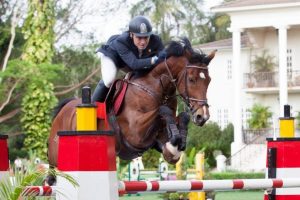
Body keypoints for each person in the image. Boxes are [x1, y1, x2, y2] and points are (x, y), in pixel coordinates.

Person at [92, 15, 166, 102]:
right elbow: (134, 64)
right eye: (139, 37)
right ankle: (90, 107)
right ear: (131, 34)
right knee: (108, 80)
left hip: (130, 61)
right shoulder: (121, 41)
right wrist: (154, 60)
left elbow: (164, 59)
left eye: (146, 37)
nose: (143, 42)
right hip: (113, 57)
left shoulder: (156, 40)